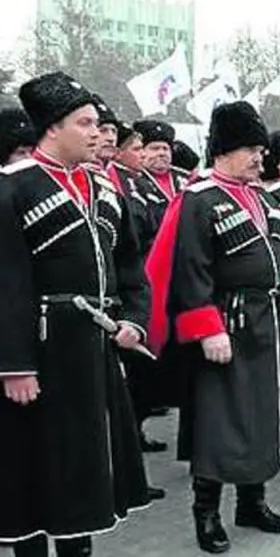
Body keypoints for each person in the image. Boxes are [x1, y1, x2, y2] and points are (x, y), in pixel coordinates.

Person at [0, 72, 152, 557]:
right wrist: (15, 365)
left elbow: (130, 264)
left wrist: (133, 317)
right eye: (84, 123)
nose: (98, 132)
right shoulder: (13, 188)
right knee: (36, 467)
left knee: (85, 464)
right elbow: (6, 283)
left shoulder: (104, 189)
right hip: (41, 351)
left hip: (95, 350)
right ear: (51, 128)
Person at [145, 101, 280, 554]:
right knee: (219, 423)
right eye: (250, 149)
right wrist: (206, 327)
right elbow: (188, 268)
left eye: (260, 149)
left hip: (267, 323)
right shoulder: (199, 198)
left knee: (262, 416)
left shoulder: (265, 198)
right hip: (226, 323)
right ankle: (206, 513)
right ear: (223, 150)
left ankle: (252, 502)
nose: (260, 158)